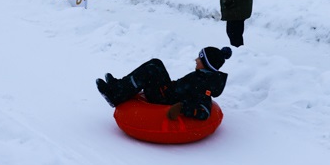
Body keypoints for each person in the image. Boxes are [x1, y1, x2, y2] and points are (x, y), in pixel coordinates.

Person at [95, 46, 232, 120]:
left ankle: (115, 95)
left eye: (200, 59)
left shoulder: (204, 85)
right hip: (168, 91)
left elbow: (204, 111)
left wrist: (182, 108)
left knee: (151, 70)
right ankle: (119, 85)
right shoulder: (204, 76)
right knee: (156, 62)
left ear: (206, 65)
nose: (196, 60)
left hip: (165, 99)